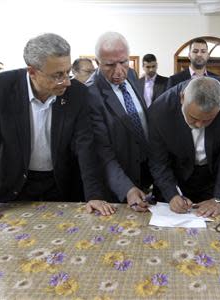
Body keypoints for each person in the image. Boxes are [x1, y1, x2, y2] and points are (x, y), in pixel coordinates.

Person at [0, 33, 113, 227]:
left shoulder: (77, 93)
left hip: (62, 185)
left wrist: (94, 195)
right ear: (32, 72)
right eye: (57, 75)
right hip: (15, 185)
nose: (67, 82)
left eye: (67, 72)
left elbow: (85, 146)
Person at [148, 76, 220, 217]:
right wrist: (172, 195)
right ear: (182, 98)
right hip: (177, 176)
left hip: (213, 176)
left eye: (208, 120)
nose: (199, 125)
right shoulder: (159, 111)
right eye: (193, 117)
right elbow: (158, 162)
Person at [87, 32, 152, 213]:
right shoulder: (91, 94)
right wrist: (127, 189)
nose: (118, 71)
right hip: (119, 180)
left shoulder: (131, 74)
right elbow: (102, 152)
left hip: (147, 169)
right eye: (109, 65)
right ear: (98, 62)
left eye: (123, 62)